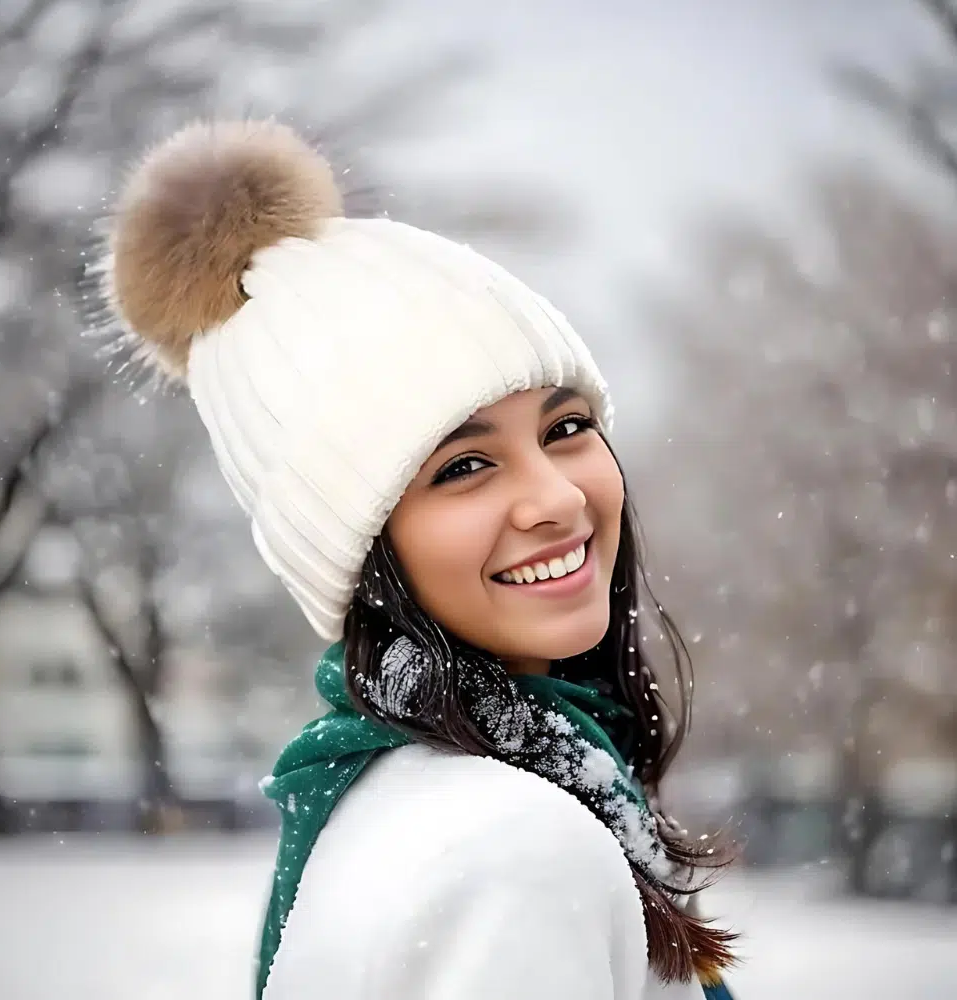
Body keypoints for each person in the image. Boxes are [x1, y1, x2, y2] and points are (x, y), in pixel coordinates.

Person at [100, 119, 739, 999]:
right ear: (358, 551)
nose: (556, 497)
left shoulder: (386, 798)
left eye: (567, 427)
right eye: (463, 466)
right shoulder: (514, 847)